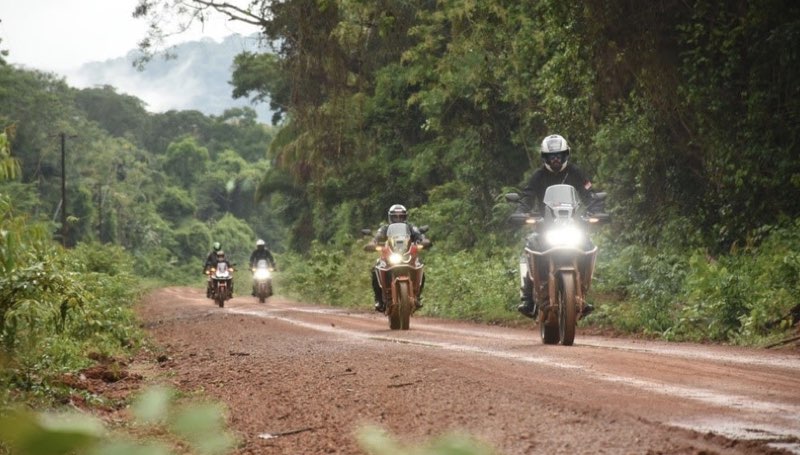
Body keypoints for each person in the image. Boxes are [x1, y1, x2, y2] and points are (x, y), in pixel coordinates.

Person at [516, 134, 602, 318]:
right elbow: (527, 196)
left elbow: (590, 195)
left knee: (588, 246)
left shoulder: (575, 173)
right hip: (546, 227)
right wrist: (521, 211)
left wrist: (596, 209)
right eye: (551, 156)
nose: (555, 160)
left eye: (559, 156)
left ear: (566, 155)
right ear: (544, 158)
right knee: (531, 247)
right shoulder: (538, 176)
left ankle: (582, 293)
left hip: (572, 224)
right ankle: (528, 299)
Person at [365, 204, 429, 312]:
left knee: (420, 267)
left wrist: (424, 241)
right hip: (389, 258)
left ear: (405, 217)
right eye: (395, 216)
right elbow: (376, 238)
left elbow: (420, 236)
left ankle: (417, 296)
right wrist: (372, 243)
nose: (398, 219)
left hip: (408, 257)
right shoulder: (384, 229)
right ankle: (379, 300)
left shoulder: (410, 227)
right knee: (375, 270)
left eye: (401, 216)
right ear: (391, 217)